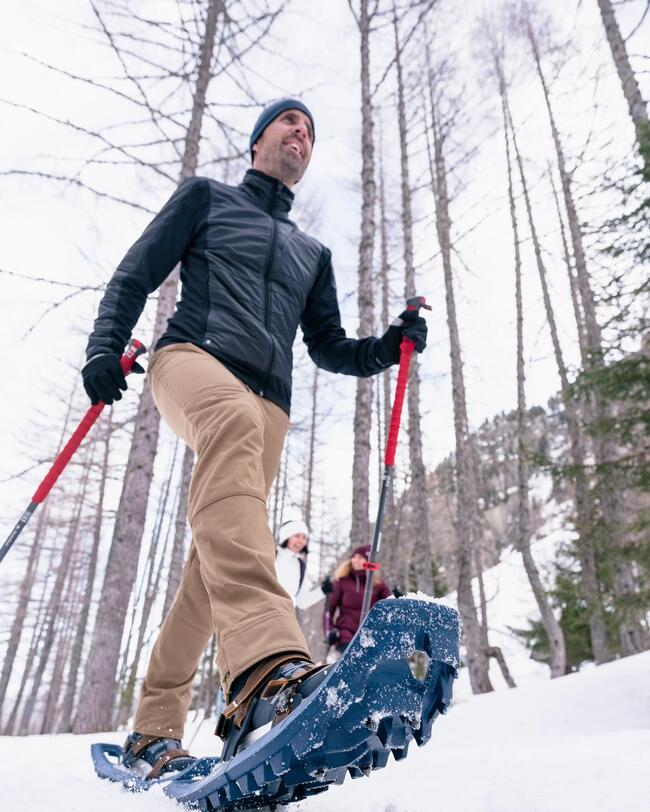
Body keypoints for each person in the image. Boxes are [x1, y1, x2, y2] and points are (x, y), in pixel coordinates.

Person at [81, 97, 427, 778]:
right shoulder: (207, 199)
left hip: (269, 406)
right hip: (193, 361)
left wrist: (387, 348)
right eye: (291, 121)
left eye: (312, 129)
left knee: (210, 570)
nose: (302, 132)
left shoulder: (311, 252)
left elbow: (330, 348)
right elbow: (135, 273)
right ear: (258, 141)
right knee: (234, 440)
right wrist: (103, 349)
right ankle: (265, 674)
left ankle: (154, 731)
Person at [325, 545, 390, 654]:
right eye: (354, 557)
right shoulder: (342, 581)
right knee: (351, 660)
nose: (356, 560)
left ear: (367, 561)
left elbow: (388, 604)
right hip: (345, 632)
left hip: (369, 633)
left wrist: (397, 597)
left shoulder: (377, 584)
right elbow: (329, 608)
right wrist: (330, 630)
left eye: (360, 557)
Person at [274, 519, 323, 610]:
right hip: (261, 611)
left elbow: (302, 601)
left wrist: (322, 591)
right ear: (286, 536)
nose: (301, 541)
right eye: (297, 536)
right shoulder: (272, 555)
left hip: (284, 615)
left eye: (304, 537)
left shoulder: (301, 566)